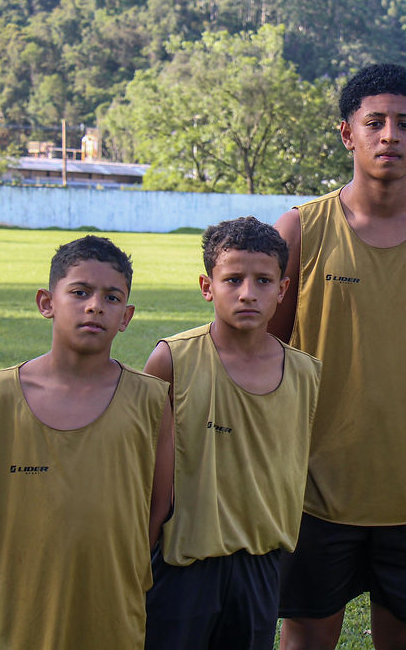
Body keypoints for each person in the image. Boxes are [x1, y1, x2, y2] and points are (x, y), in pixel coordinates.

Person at [269, 63, 406, 650]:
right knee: (305, 640)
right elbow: (269, 355)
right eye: (374, 122)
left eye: (404, 123)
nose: (389, 134)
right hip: (316, 492)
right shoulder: (300, 229)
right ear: (348, 134)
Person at [0, 235, 174, 649]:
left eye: (112, 298)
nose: (95, 305)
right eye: (79, 292)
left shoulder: (149, 399)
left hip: (108, 601)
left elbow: (156, 505)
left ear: (126, 316)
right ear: (46, 302)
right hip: (11, 603)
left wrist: (119, 564)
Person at [143, 217, 322, 650]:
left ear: (283, 290)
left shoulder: (304, 373)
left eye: (263, 281)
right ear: (208, 286)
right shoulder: (171, 361)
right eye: (233, 279)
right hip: (181, 564)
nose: (248, 293)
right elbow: (142, 472)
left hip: (260, 565)